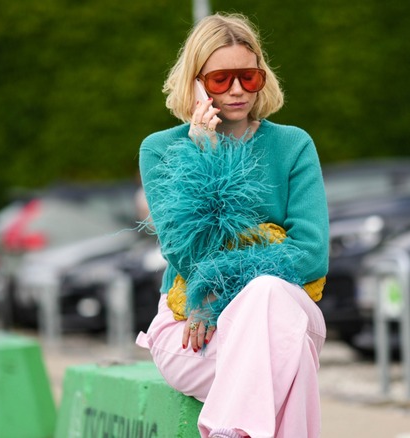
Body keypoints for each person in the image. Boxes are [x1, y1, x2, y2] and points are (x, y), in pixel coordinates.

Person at [135, 13, 329, 438]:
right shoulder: (161, 150)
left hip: (284, 312)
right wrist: (204, 159)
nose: (238, 90)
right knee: (289, 356)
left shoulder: (293, 144)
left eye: (249, 76)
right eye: (221, 79)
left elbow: (312, 254)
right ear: (195, 83)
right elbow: (185, 252)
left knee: (268, 293)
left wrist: (222, 277)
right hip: (193, 330)